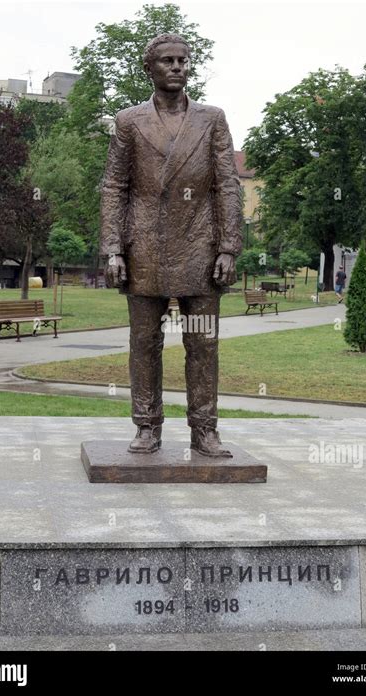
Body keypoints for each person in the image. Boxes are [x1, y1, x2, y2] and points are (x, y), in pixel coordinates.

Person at [100, 33, 242, 457]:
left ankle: (204, 429)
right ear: (150, 68)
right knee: (145, 344)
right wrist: (113, 249)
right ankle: (147, 425)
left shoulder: (211, 118)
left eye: (183, 60)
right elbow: (113, 186)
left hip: (200, 247)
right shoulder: (128, 121)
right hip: (144, 248)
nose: (177, 67)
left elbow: (227, 186)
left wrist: (228, 246)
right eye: (167, 61)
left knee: (203, 344)